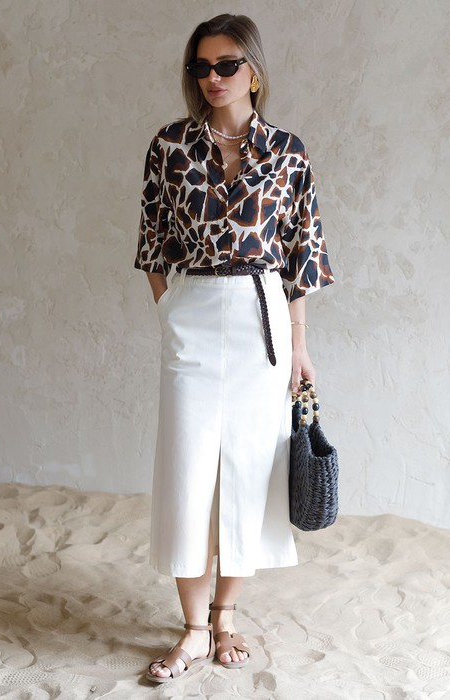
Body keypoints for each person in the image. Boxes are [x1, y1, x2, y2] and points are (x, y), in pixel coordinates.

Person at [134, 13, 334, 683]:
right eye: (201, 67)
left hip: (263, 319)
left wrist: (299, 344)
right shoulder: (170, 146)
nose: (213, 77)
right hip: (192, 309)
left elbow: (302, 256)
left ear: (254, 70)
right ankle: (193, 628)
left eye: (226, 64)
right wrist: (170, 310)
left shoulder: (288, 152)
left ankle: (225, 617)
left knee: (250, 468)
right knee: (188, 468)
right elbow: (152, 243)